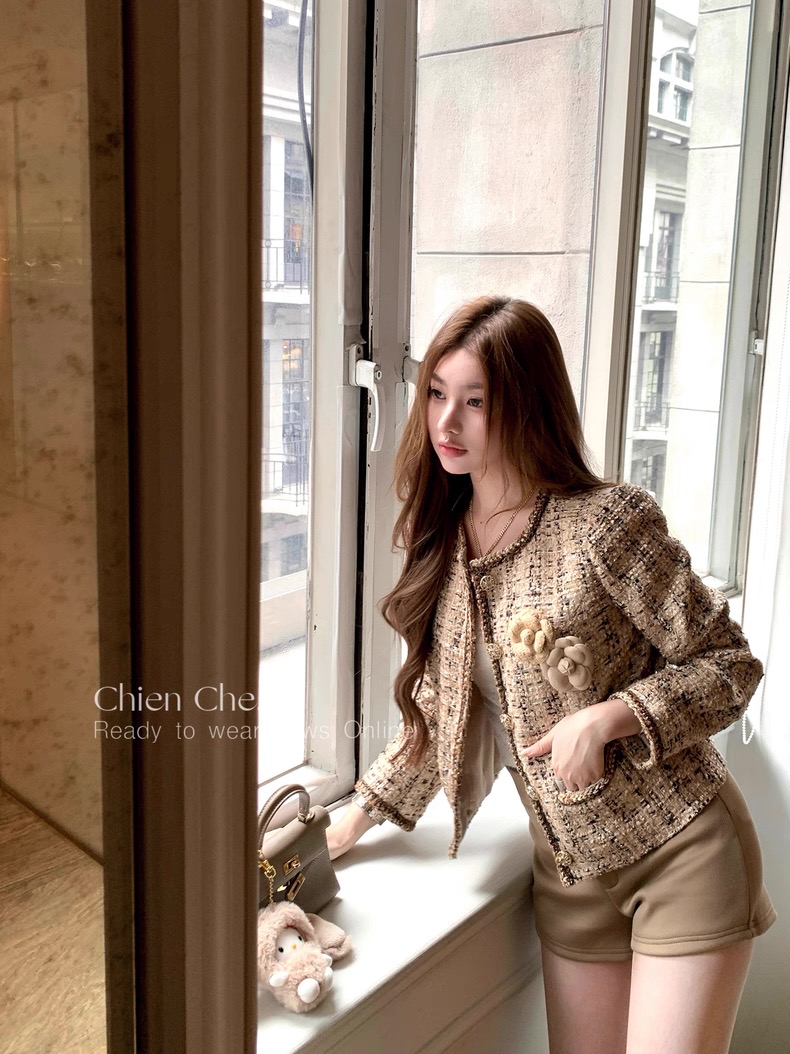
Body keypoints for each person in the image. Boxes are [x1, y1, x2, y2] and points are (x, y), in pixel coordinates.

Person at [326, 296, 775, 1054]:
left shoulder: (604, 523)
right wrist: (352, 820)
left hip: (683, 852)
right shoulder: (446, 544)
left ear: (526, 405)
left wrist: (610, 716)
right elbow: (440, 713)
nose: (446, 423)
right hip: (569, 878)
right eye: (437, 393)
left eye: (476, 402)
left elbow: (731, 664)